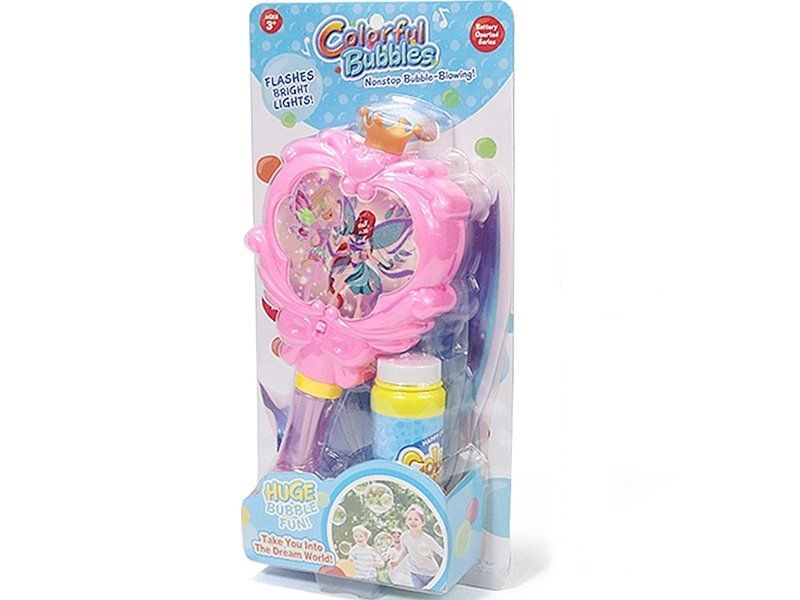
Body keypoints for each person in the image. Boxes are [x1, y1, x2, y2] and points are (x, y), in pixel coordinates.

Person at [391, 505, 444, 589]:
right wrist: (397, 562)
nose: (413, 522)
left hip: (431, 573)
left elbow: (441, 552)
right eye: (410, 519)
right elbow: (404, 551)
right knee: (417, 592)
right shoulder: (404, 537)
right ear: (406, 521)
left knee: (431, 593)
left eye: (416, 519)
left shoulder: (427, 539)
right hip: (415, 572)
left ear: (422, 522)